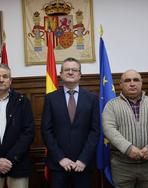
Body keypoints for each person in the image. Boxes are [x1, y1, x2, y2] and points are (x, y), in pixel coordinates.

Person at [102, 69, 148, 188]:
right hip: (122, 166)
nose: (132, 83)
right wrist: (128, 148)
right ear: (121, 84)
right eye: (127, 80)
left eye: (136, 80)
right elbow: (109, 129)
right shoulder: (111, 105)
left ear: (141, 83)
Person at [41, 57, 100, 188]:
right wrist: (61, 158)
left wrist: (83, 159)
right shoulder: (50, 98)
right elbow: (46, 130)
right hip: (58, 164)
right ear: (61, 74)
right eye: (66, 69)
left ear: (80, 75)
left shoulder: (92, 98)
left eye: (74, 70)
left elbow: (95, 131)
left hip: (84, 164)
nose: (70, 72)